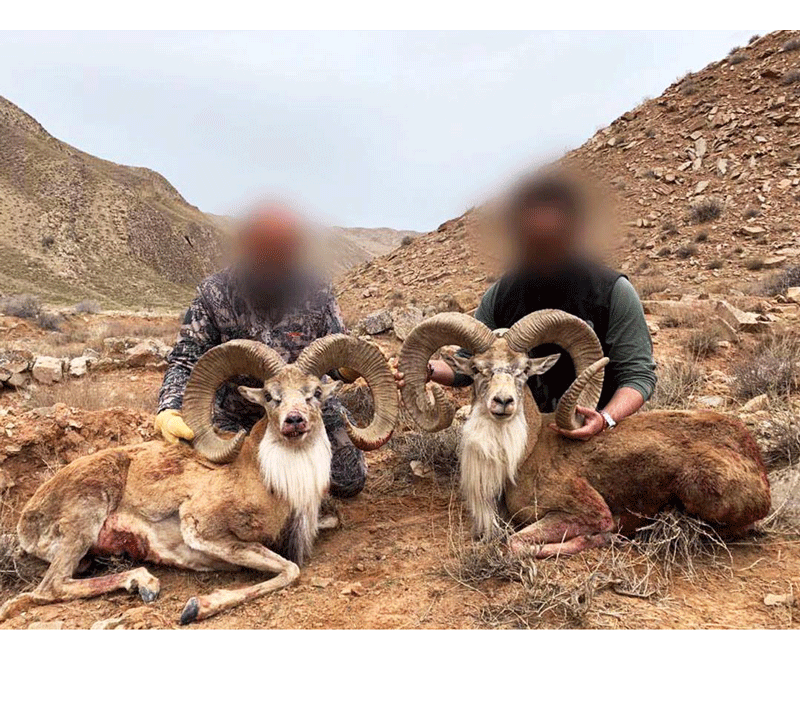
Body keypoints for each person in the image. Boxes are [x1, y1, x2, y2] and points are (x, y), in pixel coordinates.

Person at [397, 170, 656, 440]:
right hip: (521, 427)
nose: (541, 248)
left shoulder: (612, 292)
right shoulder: (503, 294)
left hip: (594, 429)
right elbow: (468, 365)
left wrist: (605, 418)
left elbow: (638, 376)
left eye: (551, 238)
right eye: (532, 239)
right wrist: (423, 369)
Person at [154, 202, 366, 496]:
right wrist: (170, 408)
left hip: (307, 405)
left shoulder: (317, 289)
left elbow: (336, 348)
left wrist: (347, 367)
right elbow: (186, 360)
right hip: (239, 410)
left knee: (348, 479)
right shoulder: (215, 293)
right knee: (223, 485)